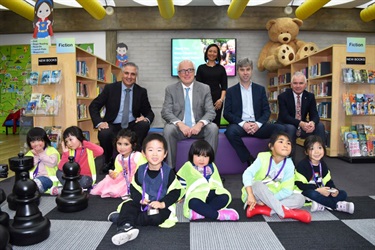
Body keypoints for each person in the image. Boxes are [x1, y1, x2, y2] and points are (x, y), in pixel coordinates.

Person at [111, 133, 184, 246]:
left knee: (156, 218)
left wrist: (162, 203)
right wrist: (140, 199)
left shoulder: (169, 172)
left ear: (165, 154)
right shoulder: (140, 170)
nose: (155, 154)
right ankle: (126, 227)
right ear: (144, 153)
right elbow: (134, 188)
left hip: (160, 205)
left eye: (159, 150)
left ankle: (125, 220)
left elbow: (176, 191)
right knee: (128, 205)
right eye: (150, 150)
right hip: (143, 202)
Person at [89, 62, 154, 173]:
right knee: (104, 132)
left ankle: (134, 160)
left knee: (143, 125)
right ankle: (109, 161)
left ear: (136, 76)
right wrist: (99, 123)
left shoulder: (141, 91)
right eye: (126, 73)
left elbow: (149, 113)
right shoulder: (110, 88)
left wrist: (145, 118)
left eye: (132, 74)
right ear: (122, 74)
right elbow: (93, 106)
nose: (129, 77)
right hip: (113, 124)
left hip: (132, 124)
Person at [223, 58, 284, 166]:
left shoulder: (260, 89)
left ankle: (270, 157)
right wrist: (243, 124)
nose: (245, 73)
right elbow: (227, 113)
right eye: (242, 70)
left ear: (251, 71)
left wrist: (257, 124)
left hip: (258, 125)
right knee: (230, 131)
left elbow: (266, 111)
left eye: (248, 69)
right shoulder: (231, 91)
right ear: (238, 71)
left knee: (280, 129)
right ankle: (249, 159)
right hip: (240, 126)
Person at [242, 131, 311, 223]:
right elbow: (247, 174)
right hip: (256, 196)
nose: (285, 145)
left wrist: (269, 200)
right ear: (271, 146)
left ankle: (262, 209)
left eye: (288, 143)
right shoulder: (263, 157)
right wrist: (250, 195)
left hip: (273, 197)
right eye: (281, 142)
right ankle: (288, 213)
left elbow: (287, 190)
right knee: (258, 184)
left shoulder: (289, 164)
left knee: (300, 199)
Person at [161, 59, 218, 169]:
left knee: (213, 128)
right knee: (168, 129)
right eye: (183, 71)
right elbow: (166, 112)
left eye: (190, 70)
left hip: (199, 129)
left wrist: (200, 124)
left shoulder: (204, 88)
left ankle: (209, 168)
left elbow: (211, 111)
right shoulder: (170, 89)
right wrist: (180, 124)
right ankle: (170, 170)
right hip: (179, 129)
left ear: (194, 72)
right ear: (178, 74)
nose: (187, 73)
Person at [177, 140, 239, 221]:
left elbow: (217, 181)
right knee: (192, 202)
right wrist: (182, 196)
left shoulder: (212, 166)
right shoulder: (188, 166)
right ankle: (219, 215)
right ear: (192, 155)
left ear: (210, 157)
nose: (202, 159)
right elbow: (182, 183)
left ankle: (201, 213)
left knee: (225, 197)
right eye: (198, 156)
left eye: (205, 156)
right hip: (196, 194)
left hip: (210, 193)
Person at [295, 135, 355, 214]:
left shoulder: (323, 165)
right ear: (306, 152)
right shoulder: (302, 165)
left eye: (320, 148)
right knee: (312, 194)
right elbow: (300, 185)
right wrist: (318, 190)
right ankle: (336, 205)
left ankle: (322, 204)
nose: (317, 152)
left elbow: (328, 181)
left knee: (343, 193)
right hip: (305, 193)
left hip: (323, 192)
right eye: (312, 149)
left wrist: (333, 190)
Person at [90, 129, 146, 198]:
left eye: (126, 144)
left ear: (133, 145)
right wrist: (113, 173)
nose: (122, 147)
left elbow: (142, 170)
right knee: (108, 181)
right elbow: (118, 170)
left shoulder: (137, 156)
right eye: (119, 144)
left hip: (136, 178)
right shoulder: (119, 157)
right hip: (123, 177)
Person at [277, 71, 326, 148]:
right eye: (295, 83)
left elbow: (315, 114)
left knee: (319, 126)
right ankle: (289, 157)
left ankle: (319, 155)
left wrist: (312, 123)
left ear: (305, 85)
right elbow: (284, 116)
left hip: (302, 126)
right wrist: (301, 123)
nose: (298, 86)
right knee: (291, 128)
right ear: (291, 85)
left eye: (301, 83)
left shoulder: (310, 96)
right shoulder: (283, 96)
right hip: (287, 124)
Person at [196, 43, 228, 127]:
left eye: (215, 52)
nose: (212, 53)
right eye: (210, 51)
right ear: (206, 53)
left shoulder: (221, 69)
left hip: (217, 101)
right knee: (203, 124)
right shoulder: (201, 68)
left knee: (215, 125)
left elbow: (224, 87)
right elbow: (197, 87)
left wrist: (221, 100)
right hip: (203, 100)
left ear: (217, 54)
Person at [25, 127, 60, 195]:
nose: (36, 144)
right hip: (33, 180)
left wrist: (41, 153)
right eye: (33, 141)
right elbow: (28, 166)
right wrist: (36, 156)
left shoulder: (52, 150)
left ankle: (33, 190)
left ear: (45, 140)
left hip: (48, 179)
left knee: (37, 183)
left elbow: (52, 163)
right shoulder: (29, 153)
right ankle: (32, 190)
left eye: (39, 140)